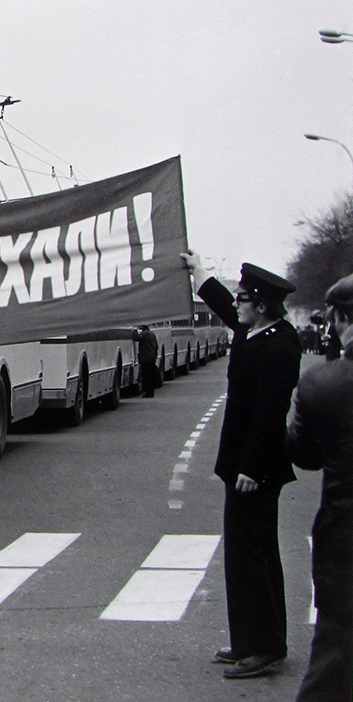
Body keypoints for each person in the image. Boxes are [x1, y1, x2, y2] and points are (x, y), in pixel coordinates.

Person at [181, 252, 301, 679]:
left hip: (257, 470)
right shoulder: (258, 332)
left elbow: (270, 414)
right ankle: (253, 641)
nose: (238, 306)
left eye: (244, 300)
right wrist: (198, 271)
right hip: (243, 467)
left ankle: (264, 647)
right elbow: (224, 306)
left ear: (262, 306)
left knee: (254, 556)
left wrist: (251, 467)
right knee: (249, 553)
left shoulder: (279, 347)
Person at [284, 273, 353, 702]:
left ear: (341, 318)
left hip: (345, 535)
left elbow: (304, 455)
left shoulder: (320, 384)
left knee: (334, 653)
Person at [136, 324, 159, 397]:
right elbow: (156, 346)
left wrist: (134, 332)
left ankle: (148, 392)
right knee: (151, 375)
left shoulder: (144, 334)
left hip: (145, 358)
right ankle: (151, 391)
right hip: (152, 357)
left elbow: (136, 338)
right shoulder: (152, 334)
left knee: (146, 376)